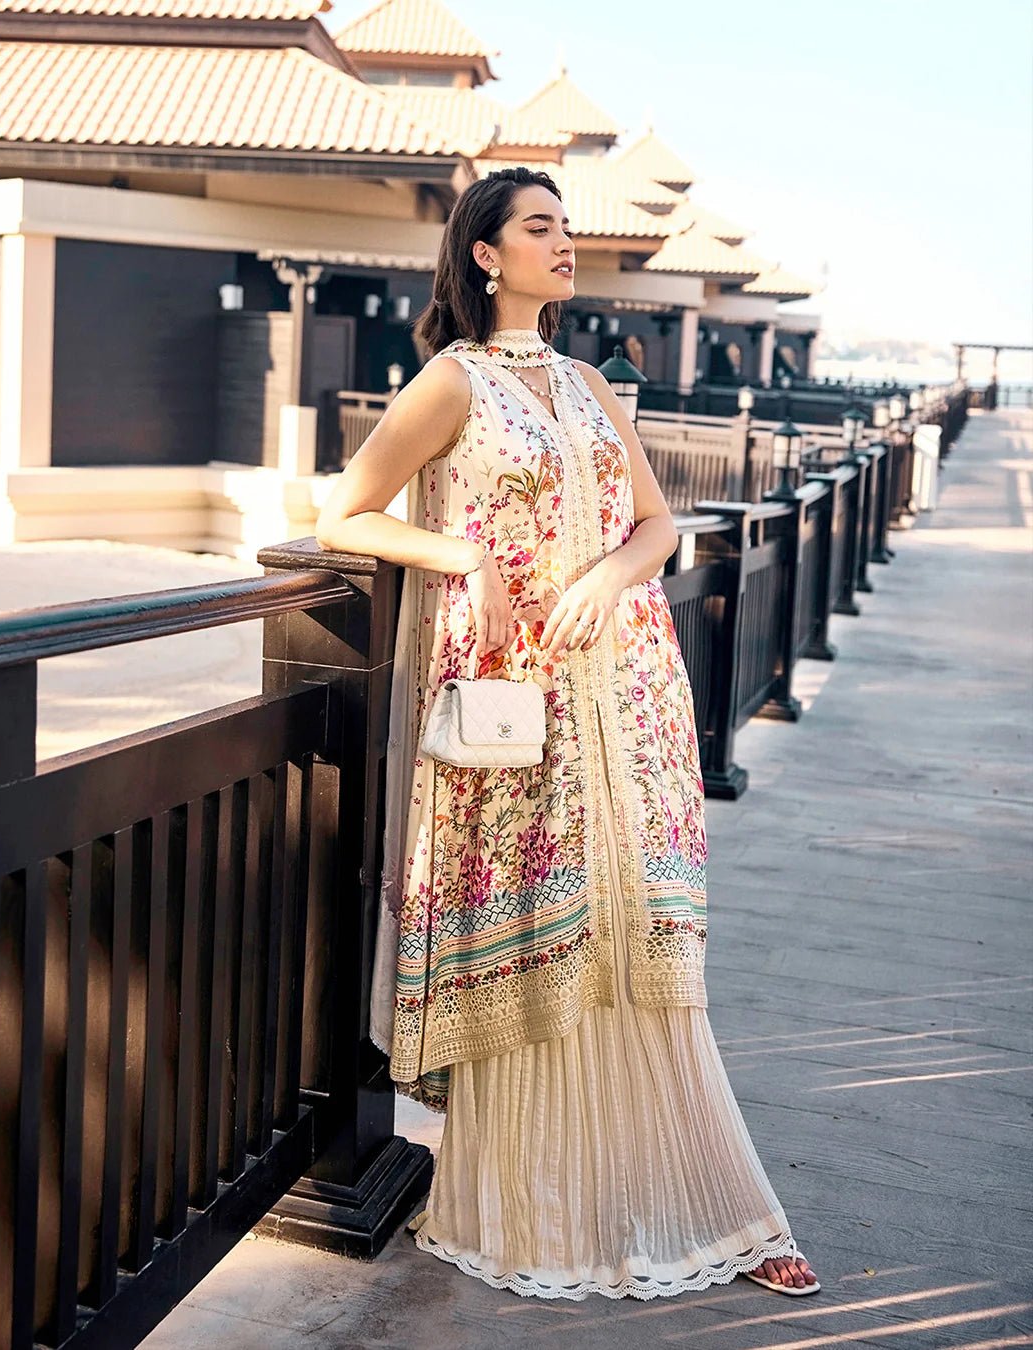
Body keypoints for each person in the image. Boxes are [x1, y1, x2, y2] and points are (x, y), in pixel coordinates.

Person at [314, 166, 821, 1301]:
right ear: (486, 254)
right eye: (538, 228)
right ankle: (530, 1207)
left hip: (628, 697)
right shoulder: (449, 384)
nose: (564, 243)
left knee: (638, 936)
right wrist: (468, 557)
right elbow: (339, 512)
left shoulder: (589, 381)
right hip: (510, 704)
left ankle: (719, 1198)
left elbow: (660, 524)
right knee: (541, 935)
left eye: (565, 227)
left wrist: (606, 575)